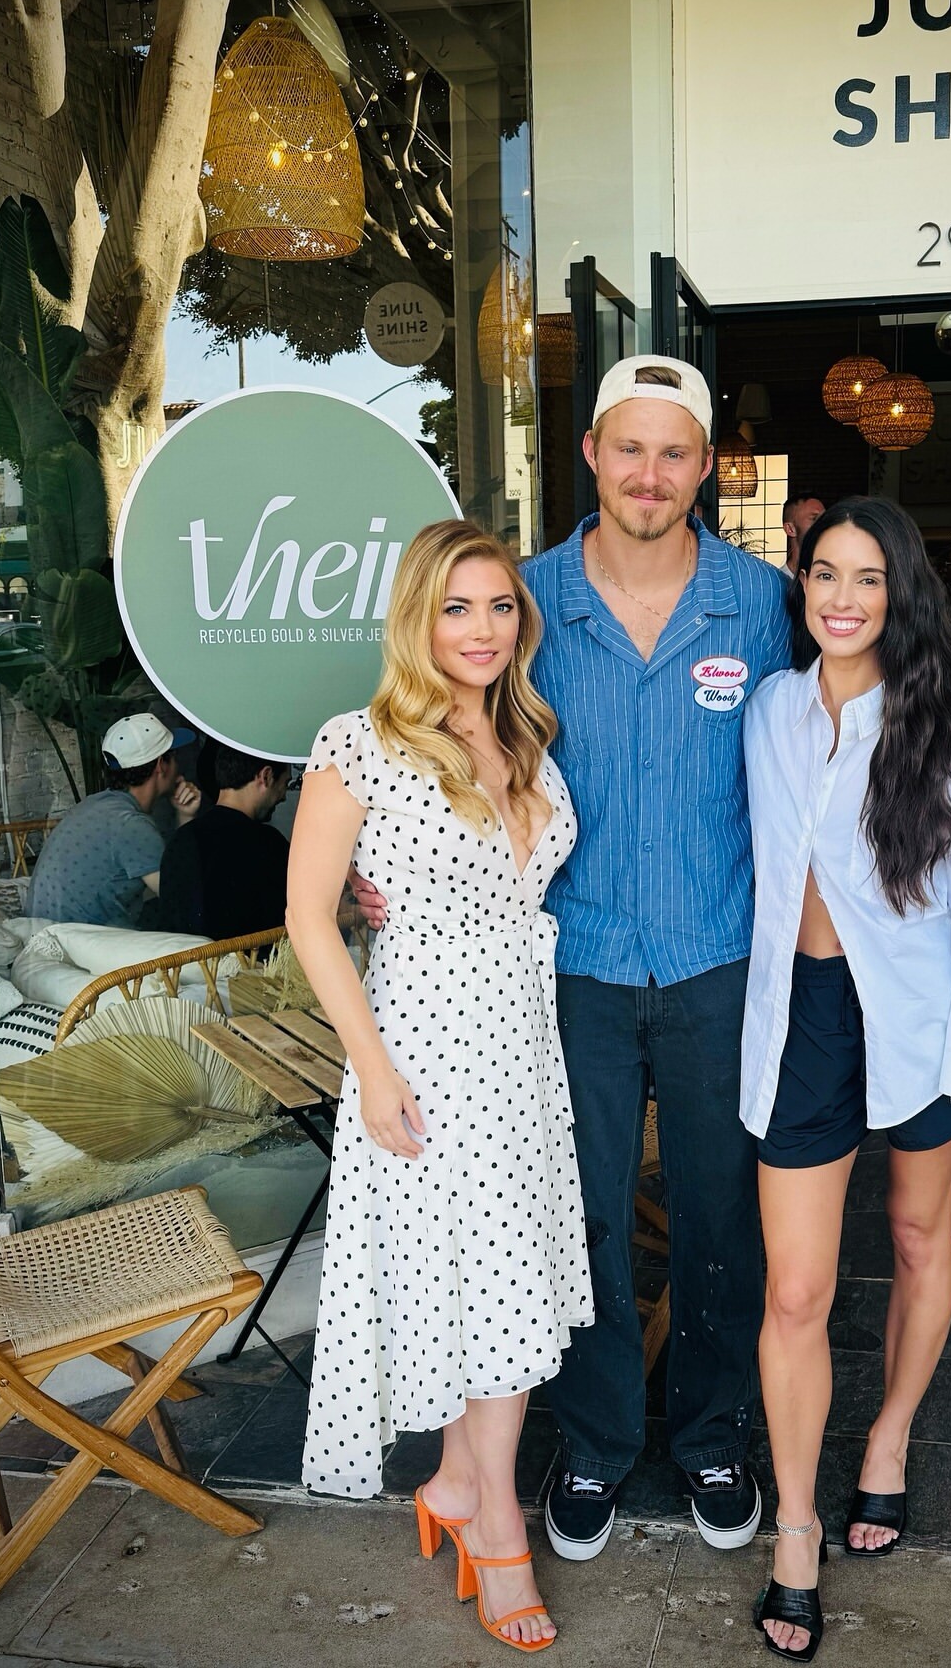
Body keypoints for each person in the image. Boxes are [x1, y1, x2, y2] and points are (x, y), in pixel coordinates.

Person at [352, 355, 791, 1560]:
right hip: (565, 972)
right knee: (578, 1218)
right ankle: (592, 1446)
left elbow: (823, 753)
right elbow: (413, 739)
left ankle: (712, 1436)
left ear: (707, 466)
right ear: (591, 453)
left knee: (719, 1217)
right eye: (629, 448)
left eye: (675, 452)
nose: (651, 474)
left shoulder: (763, 605)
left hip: (717, 958)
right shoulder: (521, 600)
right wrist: (361, 868)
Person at [741, 499, 951, 1661]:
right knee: (796, 1291)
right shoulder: (769, 712)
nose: (842, 599)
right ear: (802, 584)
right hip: (801, 1018)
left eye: (867, 578)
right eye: (824, 574)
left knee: (920, 1236)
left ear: (900, 595)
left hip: (925, 1018)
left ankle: (889, 1437)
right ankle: (795, 1527)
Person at [287, 519, 592, 1653]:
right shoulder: (359, 743)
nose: (482, 628)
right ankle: (497, 1523)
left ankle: (461, 1485)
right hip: (422, 1047)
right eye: (458, 607)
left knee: (496, 1278)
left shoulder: (526, 737)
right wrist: (372, 1071)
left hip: (521, 1046)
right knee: (482, 1277)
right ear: (417, 617)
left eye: (501, 606)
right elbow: (308, 916)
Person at [28, 713, 199, 928]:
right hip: (81, 943)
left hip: (49, 932)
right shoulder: (131, 825)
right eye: (173, 756)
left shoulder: (94, 804)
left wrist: (183, 814)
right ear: (160, 765)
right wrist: (187, 817)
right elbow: (183, 899)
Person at [157, 748, 292, 940]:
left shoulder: (180, 839)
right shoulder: (269, 844)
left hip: (185, 960)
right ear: (266, 776)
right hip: (250, 959)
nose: (284, 796)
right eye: (285, 784)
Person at [781, 492, 826, 577]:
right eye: (814, 519)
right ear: (790, 529)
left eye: (825, 519)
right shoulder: (776, 582)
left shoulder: (832, 579)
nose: (823, 525)